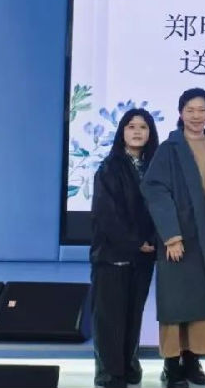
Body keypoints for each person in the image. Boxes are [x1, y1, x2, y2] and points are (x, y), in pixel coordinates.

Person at [142, 88, 205, 388]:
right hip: (179, 236)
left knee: (202, 300)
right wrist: (171, 236)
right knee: (176, 301)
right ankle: (171, 365)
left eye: (202, 110)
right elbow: (155, 189)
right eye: (190, 110)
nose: (196, 116)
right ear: (180, 113)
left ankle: (193, 361)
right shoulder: (169, 149)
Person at [91, 108, 160, 388]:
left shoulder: (155, 167)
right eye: (131, 126)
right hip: (113, 255)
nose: (137, 131)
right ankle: (110, 372)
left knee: (133, 314)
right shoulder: (109, 168)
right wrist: (136, 242)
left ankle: (129, 364)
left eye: (143, 127)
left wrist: (152, 241)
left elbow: (161, 208)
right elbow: (106, 215)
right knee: (110, 317)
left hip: (144, 256)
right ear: (122, 132)